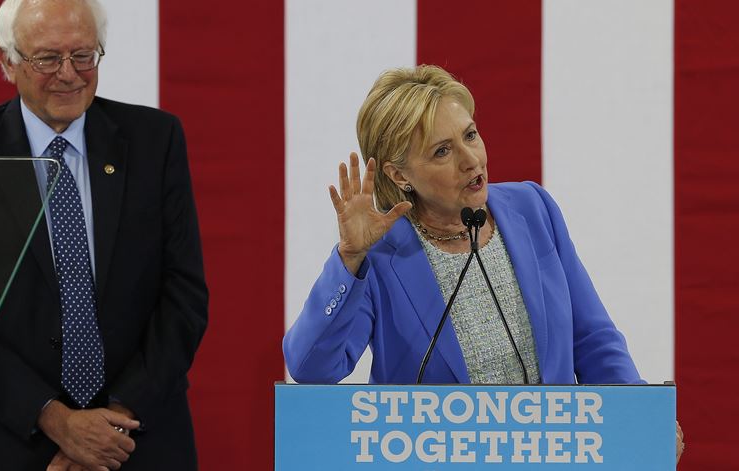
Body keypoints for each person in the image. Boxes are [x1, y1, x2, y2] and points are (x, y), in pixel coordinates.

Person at [282, 65, 684, 462]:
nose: (470, 159)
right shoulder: (380, 254)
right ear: (400, 175)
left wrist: (639, 420)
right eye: (442, 151)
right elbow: (311, 367)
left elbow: (592, 339)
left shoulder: (533, 208)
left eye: (470, 135)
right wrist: (350, 258)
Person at [0, 0, 207, 469]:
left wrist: (110, 421)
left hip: (136, 439)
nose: (69, 74)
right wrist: (57, 421)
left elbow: (184, 296)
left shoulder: (156, 141)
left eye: (84, 56)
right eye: (48, 58)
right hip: (8, 439)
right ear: (6, 61)